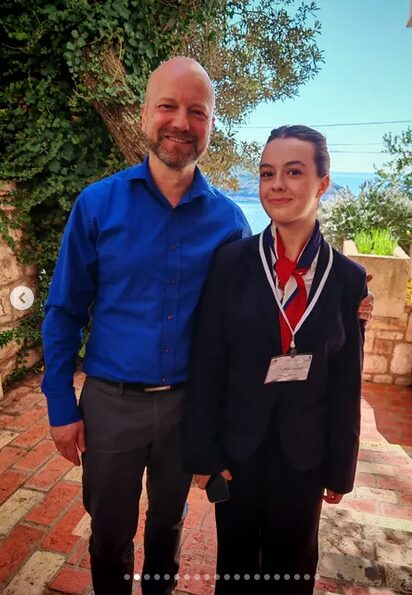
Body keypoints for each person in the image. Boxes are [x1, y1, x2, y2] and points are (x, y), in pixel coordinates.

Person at [41, 57, 373, 595]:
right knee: (108, 533)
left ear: (211, 124)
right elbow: (64, 309)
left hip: (186, 407)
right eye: (168, 107)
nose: (181, 122)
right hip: (110, 404)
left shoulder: (228, 221)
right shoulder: (97, 205)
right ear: (145, 114)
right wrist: (60, 403)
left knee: (168, 527)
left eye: (197, 111)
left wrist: (346, 299)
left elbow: (266, 298)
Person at [185, 124, 367, 595]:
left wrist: (340, 466)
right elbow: (207, 364)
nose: (277, 185)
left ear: (323, 183)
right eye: (268, 174)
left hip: (306, 458)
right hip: (237, 452)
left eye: (294, 172)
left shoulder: (348, 279)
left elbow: (347, 381)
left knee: (292, 570)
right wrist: (205, 453)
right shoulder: (230, 263)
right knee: (236, 571)